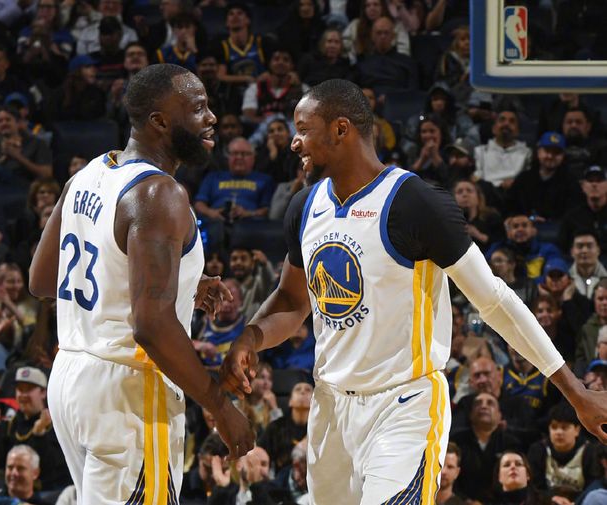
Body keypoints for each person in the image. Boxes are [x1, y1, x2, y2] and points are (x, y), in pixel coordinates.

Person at [219, 79, 607, 505]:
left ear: (341, 129)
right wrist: (250, 337)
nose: (295, 142)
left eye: (303, 129)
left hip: (404, 405)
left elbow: (495, 300)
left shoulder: (415, 202)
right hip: (329, 407)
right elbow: (293, 300)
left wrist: (574, 390)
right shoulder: (304, 206)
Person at [28, 63, 254, 503]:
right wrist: (220, 407)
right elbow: (151, 326)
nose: (211, 118)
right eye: (198, 108)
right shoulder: (158, 194)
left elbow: (42, 278)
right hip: (129, 390)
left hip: (72, 378)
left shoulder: (88, 174)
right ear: (160, 121)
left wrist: (179, 284)